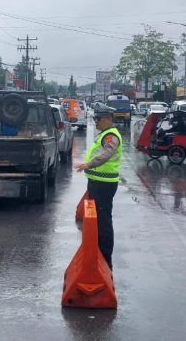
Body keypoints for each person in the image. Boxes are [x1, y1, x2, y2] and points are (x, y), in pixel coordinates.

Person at [75, 107, 122, 269]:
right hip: (98, 182)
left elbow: (106, 155)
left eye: (99, 119)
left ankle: (106, 259)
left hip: (104, 184)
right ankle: (100, 254)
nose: (96, 122)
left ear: (108, 118)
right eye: (95, 119)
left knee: (103, 222)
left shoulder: (111, 136)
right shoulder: (104, 134)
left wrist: (88, 164)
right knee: (99, 221)